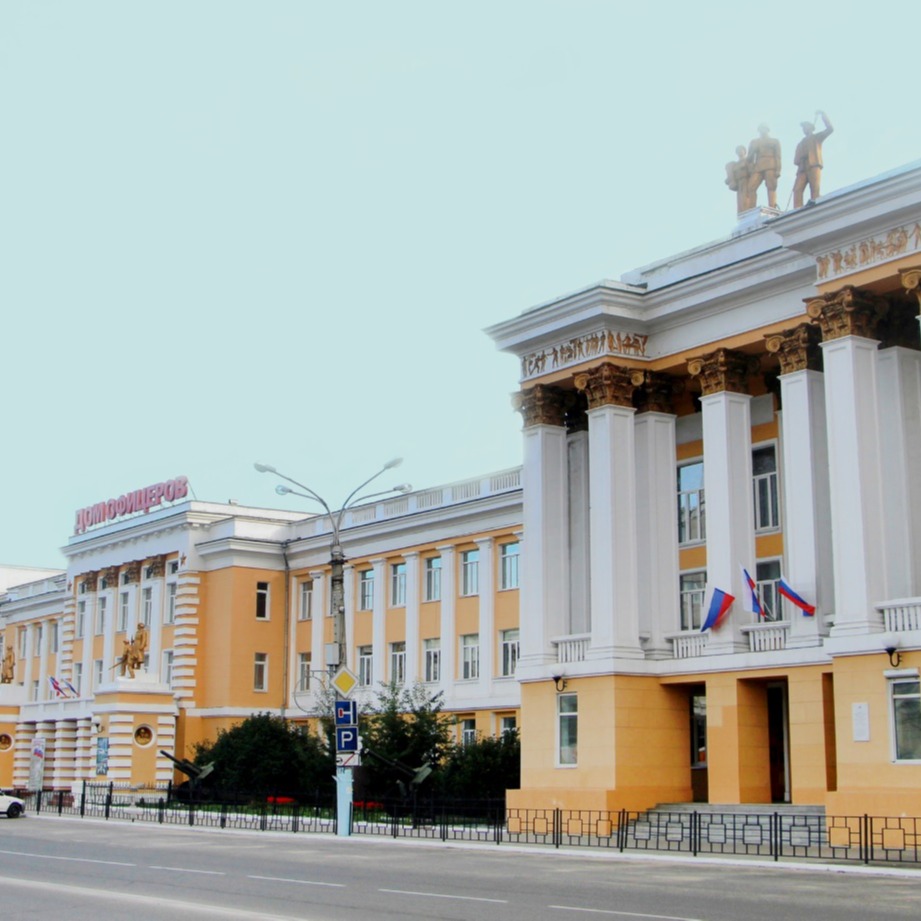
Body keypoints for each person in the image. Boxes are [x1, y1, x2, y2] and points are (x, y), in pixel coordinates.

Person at [793, 111, 834, 208]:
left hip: (813, 165)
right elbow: (796, 160)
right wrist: (801, 157)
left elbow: (830, 129)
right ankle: (797, 209)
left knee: (814, 188)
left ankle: (816, 205)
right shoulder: (800, 143)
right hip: (802, 168)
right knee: (797, 189)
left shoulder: (817, 138)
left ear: (810, 127)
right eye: (803, 127)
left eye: (805, 126)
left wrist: (824, 115)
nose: (804, 129)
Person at [747, 124, 782, 209]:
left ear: (767, 130)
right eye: (760, 129)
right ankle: (751, 208)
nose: (762, 131)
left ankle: (772, 206)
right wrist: (753, 151)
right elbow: (749, 158)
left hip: (770, 165)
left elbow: (778, 156)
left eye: (764, 129)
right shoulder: (754, 142)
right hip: (758, 166)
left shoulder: (774, 141)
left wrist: (778, 169)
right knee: (751, 187)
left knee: (771, 186)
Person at [725, 145, 755, 213]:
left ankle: (748, 213)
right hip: (739, 183)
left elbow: (752, 171)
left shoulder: (747, 161)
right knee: (740, 202)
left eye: (741, 150)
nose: (740, 152)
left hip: (746, 181)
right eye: (738, 151)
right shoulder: (735, 164)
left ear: (744, 152)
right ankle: (742, 215)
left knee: (746, 199)